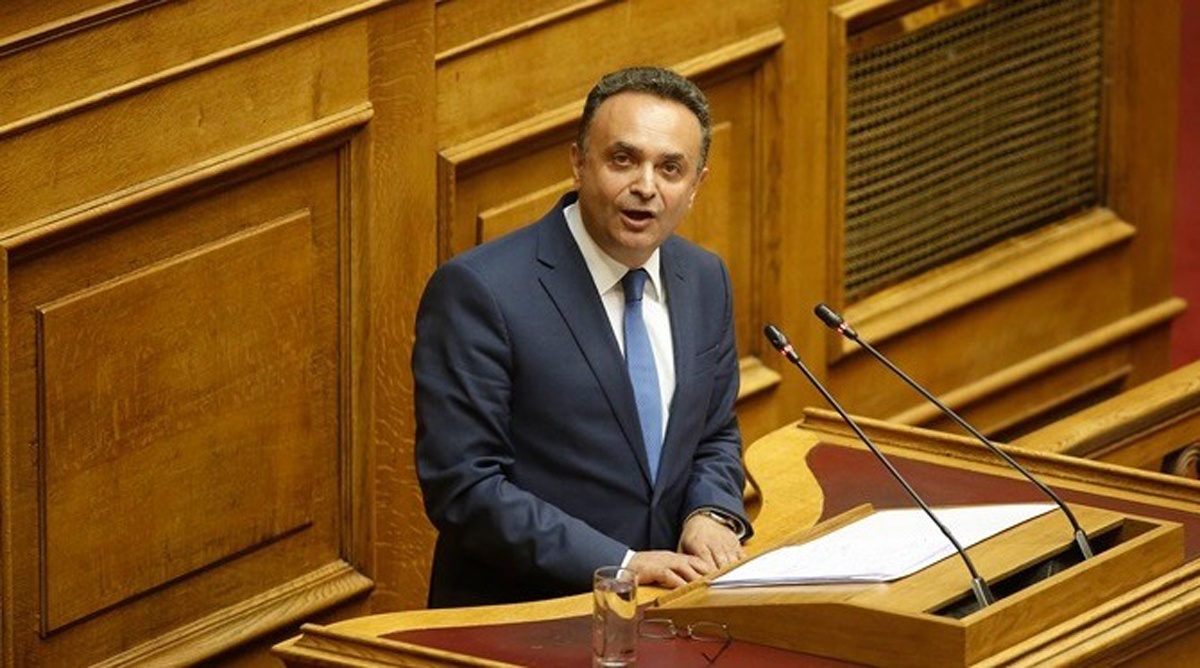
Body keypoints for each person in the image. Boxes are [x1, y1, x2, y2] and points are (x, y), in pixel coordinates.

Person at [413, 66, 752, 607]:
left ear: (695, 186)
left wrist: (710, 512)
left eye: (670, 168)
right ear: (578, 163)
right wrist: (623, 565)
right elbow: (465, 487)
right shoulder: (481, 291)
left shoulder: (705, 278)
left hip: (670, 607)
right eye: (623, 159)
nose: (646, 187)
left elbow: (713, 433)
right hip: (528, 615)